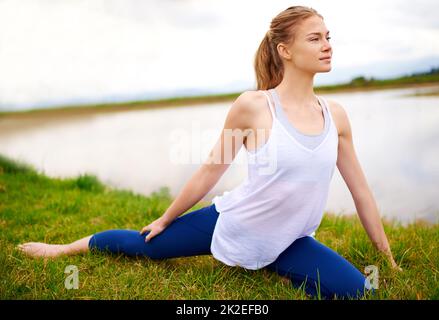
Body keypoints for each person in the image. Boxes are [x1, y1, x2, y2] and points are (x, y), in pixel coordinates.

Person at [17, 5, 402, 299]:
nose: (328, 45)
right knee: (145, 247)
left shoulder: (336, 116)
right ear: (285, 50)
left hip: (290, 240)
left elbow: (360, 191)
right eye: (315, 38)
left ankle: (274, 265)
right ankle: (65, 247)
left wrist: (386, 261)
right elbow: (209, 172)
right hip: (233, 222)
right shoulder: (254, 107)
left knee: (358, 291)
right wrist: (166, 219)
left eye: (328, 36)